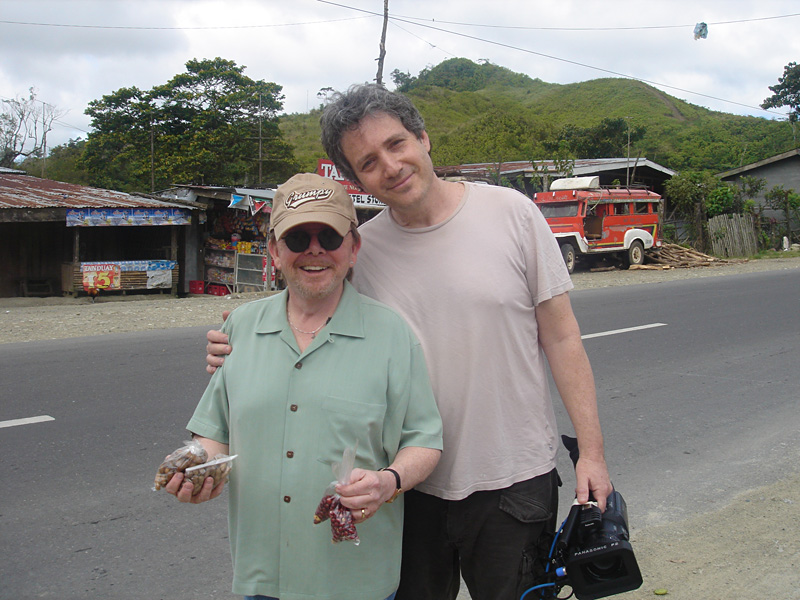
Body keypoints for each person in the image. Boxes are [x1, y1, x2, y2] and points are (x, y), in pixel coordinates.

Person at [206, 85, 613, 600]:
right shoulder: (360, 250)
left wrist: (591, 455)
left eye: (397, 144)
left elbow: (562, 336)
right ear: (356, 181)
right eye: (368, 162)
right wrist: (235, 341)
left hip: (513, 483)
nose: (391, 166)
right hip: (406, 489)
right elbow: (303, 316)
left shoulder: (512, 213)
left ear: (423, 138)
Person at [168, 172, 443, 600]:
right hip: (263, 577)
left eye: (328, 238)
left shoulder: (392, 334)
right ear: (275, 252)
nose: (314, 251)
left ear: (353, 248)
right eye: (298, 239)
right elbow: (214, 433)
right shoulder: (240, 327)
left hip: (357, 582)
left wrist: (388, 482)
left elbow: (425, 441)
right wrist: (199, 470)